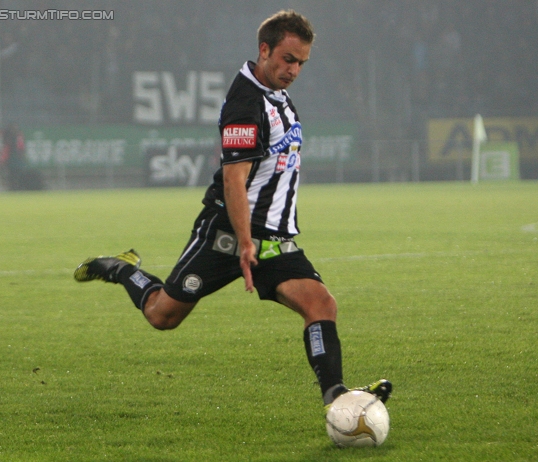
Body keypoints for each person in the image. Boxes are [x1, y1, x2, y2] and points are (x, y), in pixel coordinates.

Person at [74, 10, 391, 411]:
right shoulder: (245, 102)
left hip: (273, 239)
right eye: (288, 59)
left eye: (301, 63)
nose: (294, 70)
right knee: (162, 316)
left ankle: (338, 399)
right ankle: (122, 269)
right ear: (265, 49)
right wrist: (243, 242)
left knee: (320, 304)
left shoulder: (277, 94)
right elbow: (233, 179)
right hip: (227, 234)